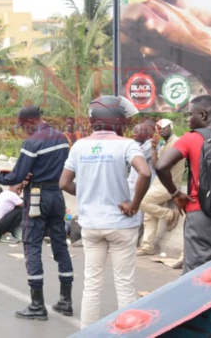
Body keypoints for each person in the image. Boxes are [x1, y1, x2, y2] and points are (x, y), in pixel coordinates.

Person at [59, 95, 151, 329]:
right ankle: (129, 334)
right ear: (116, 120)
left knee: (92, 284)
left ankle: (87, 333)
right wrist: (134, 204)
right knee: (124, 285)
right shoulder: (126, 144)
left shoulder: (79, 146)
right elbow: (145, 173)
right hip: (122, 224)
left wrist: (88, 193)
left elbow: (64, 183)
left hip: (91, 225)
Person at [0, 105, 73, 321]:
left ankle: (37, 304)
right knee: (60, 244)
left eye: (22, 126)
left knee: (31, 245)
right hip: (57, 195)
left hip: (38, 196)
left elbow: (17, 176)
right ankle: (66, 301)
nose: (23, 130)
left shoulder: (33, 141)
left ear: (29, 121)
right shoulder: (61, 137)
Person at [155, 95, 211, 273]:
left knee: (196, 273)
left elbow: (161, 166)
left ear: (203, 115)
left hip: (199, 213)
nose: (188, 119)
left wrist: (176, 194)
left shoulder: (190, 139)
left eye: (191, 115)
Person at [136, 118, 184, 256]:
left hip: (169, 184)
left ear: (171, 127)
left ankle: (170, 214)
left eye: (165, 127)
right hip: (159, 183)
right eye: (159, 128)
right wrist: (153, 148)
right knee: (149, 215)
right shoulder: (164, 146)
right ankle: (147, 246)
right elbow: (156, 166)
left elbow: (165, 166)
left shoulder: (177, 142)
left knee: (142, 202)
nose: (162, 130)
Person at [127, 122, 156, 193]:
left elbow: (138, 155)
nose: (133, 135)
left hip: (145, 185)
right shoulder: (138, 143)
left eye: (136, 132)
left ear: (144, 133)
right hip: (133, 182)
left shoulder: (152, 144)